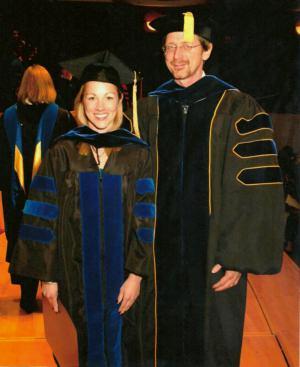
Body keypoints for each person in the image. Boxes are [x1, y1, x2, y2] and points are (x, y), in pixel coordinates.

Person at [133, 11, 285, 367]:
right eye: (170, 46)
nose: (177, 55)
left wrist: (237, 257)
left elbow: (256, 190)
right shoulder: (149, 107)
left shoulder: (236, 107)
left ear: (207, 51)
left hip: (215, 252)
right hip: (159, 255)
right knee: (157, 341)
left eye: (187, 46)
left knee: (213, 344)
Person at [9, 64, 155, 366]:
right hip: (72, 273)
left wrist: (137, 274)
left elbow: (145, 219)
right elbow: (42, 215)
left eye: (108, 98)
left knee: (123, 346)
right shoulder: (63, 152)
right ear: (81, 102)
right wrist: (48, 277)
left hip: (123, 277)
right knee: (78, 346)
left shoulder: (137, 154)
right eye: (91, 98)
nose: (100, 107)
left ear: (119, 102)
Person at [0, 64, 75, 313]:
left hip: (16, 195)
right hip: (51, 194)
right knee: (50, 238)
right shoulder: (62, 117)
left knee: (22, 238)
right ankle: (55, 295)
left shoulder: (8, 117)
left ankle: (27, 295)